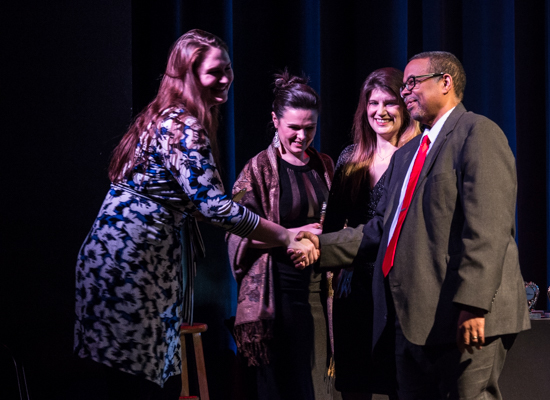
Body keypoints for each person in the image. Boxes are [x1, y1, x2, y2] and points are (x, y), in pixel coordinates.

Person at [74, 30, 316, 400]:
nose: (225, 79)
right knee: (133, 384)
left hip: (127, 262)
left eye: (228, 70)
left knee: (140, 381)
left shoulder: (169, 117)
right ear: (188, 75)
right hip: (128, 266)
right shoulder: (182, 125)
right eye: (214, 72)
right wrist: (284, 235)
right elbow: (213, 206)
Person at [294, 51, 530, 399]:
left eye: (412, 83)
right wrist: (320, 246)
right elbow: (382, 229)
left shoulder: (478, 133)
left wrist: (475, 305)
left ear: (445, 82)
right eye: (402, 86)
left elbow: (488, 230)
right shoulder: (410, 154)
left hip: (463, 316)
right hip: (414, 321)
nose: (405, 93)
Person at [227, 70, 336, 400]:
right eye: (294, 128)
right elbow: (239, 236)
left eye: (310, 127)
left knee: (317, 382)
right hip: (279, 292)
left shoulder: (325, 165)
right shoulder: (257, 168)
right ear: (275, 120)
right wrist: (295, 233)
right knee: (283, 385)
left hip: (321, 290)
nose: (303, 136)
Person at [322, 67, 419, 400]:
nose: (380, 111)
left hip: (399, 287)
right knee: (355, 387)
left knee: (399, 385)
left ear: (405, 105)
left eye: (389, 102)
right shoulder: (350, 159)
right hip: (355, 291)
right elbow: (332, 228)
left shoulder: (419, 156)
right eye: (373, 102)